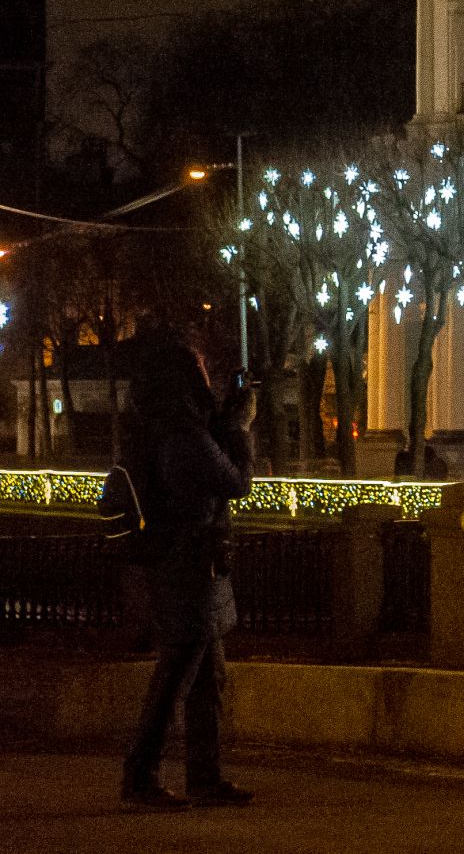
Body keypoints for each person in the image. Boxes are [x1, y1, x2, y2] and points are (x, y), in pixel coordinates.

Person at [119, 337, 256, 809]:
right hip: (188, 568)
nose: (205, 372)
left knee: (205, 677)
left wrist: (223, 419)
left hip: (188, 565)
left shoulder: (163, 426)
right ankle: (139, 778)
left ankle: (205, 775)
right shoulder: (180, 433)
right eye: (198, 366)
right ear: (182, 378)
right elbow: (234, 480)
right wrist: (237, 426)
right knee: (177, 676)